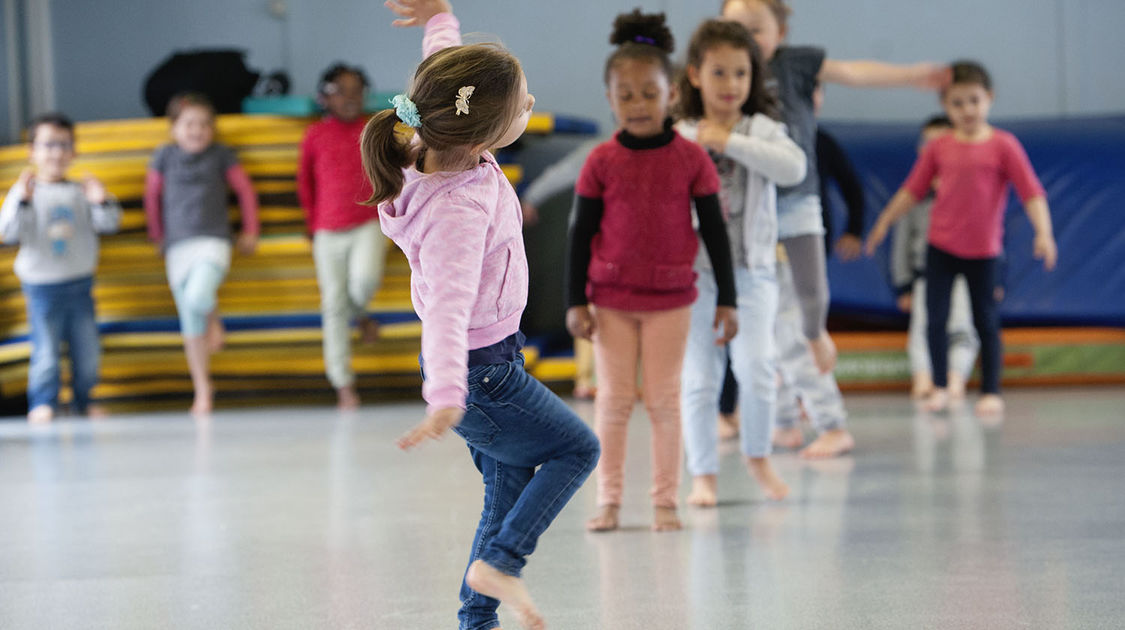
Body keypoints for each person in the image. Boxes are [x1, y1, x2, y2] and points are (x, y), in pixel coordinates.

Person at [366, 2, 600, 629]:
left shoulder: (435, 138)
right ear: (483, 134)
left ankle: (477, 620)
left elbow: (440, 68)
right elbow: (445, 307)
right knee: (578, 449)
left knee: (505, 490)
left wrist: (439, 15)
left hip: (486, 363)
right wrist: (445, 394)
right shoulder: (457, 212)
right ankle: (502, 562)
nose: (532, 105)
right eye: (524, 105)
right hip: (480, 374)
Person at [567, 9, 737, 533]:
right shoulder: (600, 161)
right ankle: (610, 501)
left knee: (665, 402)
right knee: (614, 403)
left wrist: (728, 299)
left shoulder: (692, 160)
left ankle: (666, 500)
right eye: (625, 94)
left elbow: (714, 231)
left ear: (671, 96)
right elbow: (579, 233)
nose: (637, 104)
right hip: (612, 300)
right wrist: (575, 300)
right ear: (609, 98)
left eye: (648, 92)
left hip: (670, 301)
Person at [721, 0, 949, 373]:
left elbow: (854, 72)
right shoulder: (722, 73)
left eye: (756, 30)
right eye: (736, 28)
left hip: (798, 198)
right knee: (756, 295)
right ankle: (767, 371)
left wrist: (910, 75)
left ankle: (814, 335)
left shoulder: (796, 63)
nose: (746, 38)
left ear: (780, 33)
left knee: (811, 291)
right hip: (749, 202)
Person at [866, 61, 1058, 416]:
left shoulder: (1004, 145)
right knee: (935, 319)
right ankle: (939, 385)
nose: (967, 110)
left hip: (984, 251)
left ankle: (990, 390)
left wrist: (1044, 232)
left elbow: (1031, 191)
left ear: (990, 99)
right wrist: (884, 222)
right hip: (940, 248)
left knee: (985, 320)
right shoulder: (940, 147)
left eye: (974, 100)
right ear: (945, 106)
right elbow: (912, 190)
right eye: (957, 103)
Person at [674, 18, 805, 506]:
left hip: (753, 274)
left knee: (758, 366)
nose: (731, 85)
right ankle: (703, 473)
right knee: (699, 377)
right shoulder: (680, 134)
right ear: (694, 75)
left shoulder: (764, 131)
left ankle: (758, 458)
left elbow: (794, 168)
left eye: (741, 74)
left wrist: (728, 142)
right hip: (695, 277)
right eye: (719, 73)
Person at [0, 112, 121, 423]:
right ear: (32, 150)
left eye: (63, 145)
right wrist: (23, 201)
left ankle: (84, 399)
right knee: (46, 352)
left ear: (74, 151)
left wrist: (100, 200)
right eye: (48, 145)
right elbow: (8, 233)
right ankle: (44, 401)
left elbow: (110, 224)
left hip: (80, 283)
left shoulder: (81, 190)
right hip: (41, 287)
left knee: (87, 351)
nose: (56, 153)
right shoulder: (23, 191)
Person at [144, 92, 259, 416]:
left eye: (205, 125)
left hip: (213, 241)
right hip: (176, 246)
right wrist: (156, 234)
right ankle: (203, 388)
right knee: (189, 322)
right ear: (173, 128)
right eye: (189, 124)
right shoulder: (164, 156)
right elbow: (152, 196)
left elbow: (244, 191)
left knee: (198, 297)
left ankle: (213, 318)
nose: (197, 130)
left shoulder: (221, 154)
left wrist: (250, 229)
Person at [299, 62, 385, 410]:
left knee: (363, 281)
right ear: (325, 97)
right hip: (326, 228)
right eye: (342, 91)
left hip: (368, 220)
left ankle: (360, 311)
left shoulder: (372, 130)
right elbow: (305, 182)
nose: (350, 98)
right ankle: (343, 383)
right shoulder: (314, 135)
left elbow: (390, 172)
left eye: (357, 91)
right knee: (332, 304)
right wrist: (310, 222)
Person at [890, 115, 981, 399]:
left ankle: (955, 378)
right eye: (928, 144)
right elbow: (902, 244)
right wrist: (904, 284)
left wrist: (993, 279)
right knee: (923, 329)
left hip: (965, 274)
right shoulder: (913, 197)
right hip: (926, 275)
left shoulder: (971, 192)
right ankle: (923, 377)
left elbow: (988, 235)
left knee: (961, 327)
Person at [518, 137, 606, 399]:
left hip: (617, 243)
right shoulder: (597, 151)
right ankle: (587, 378)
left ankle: (595, 378)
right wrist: (532, 199)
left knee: (608, 311)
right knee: (591, 309)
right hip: (594, 240)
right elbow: (561, 174)